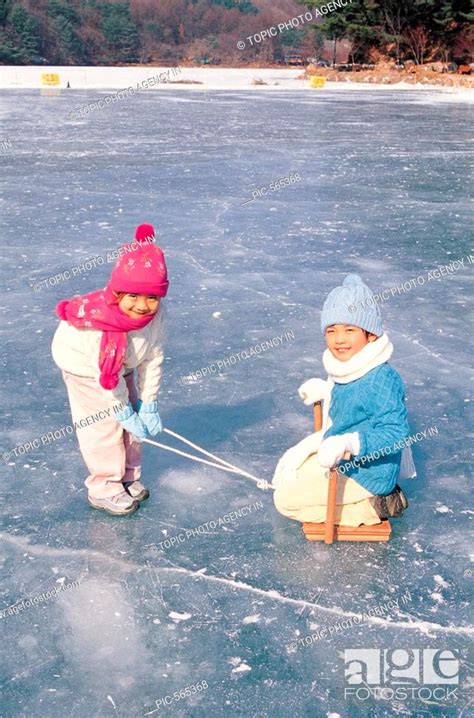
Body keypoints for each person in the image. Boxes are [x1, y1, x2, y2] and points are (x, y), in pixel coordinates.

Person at [273, 274, 410, 526]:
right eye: (331, 330)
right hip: (343, 459)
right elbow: (354, 403)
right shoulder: (348, 367)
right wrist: (326, 391)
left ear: (370, 334)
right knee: (288, 477)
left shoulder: (381, 377)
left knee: (285, 500)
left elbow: (396, 433)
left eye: (349, 329)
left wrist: (350, 442)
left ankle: (374, 506)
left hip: (369, 471)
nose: (339, 339)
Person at [51, 223, 168, 516]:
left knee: (133, 422)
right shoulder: (97, 329)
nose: (143, 306)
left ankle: (128, 476)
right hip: (86, 368)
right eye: (133, 297)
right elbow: (107, 379)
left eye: (152, 297)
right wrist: (123, 410)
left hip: (122, 364)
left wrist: (148, 403)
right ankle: (104, 486)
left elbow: (153, 356)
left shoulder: (157, 316)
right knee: (104, 425)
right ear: (117, 293)